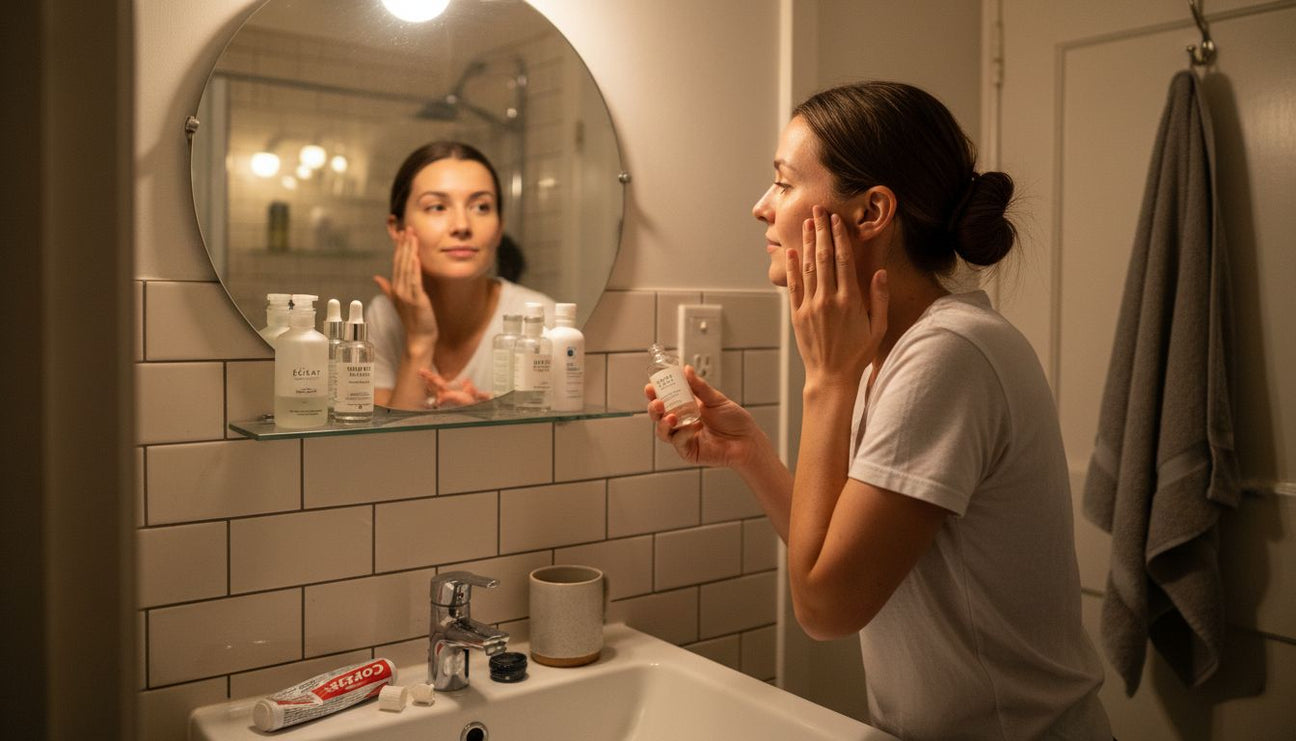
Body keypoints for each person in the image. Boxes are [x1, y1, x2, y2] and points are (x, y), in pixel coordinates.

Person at [647, 82, 1111, 740]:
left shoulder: (947, 355)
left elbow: (826, 608)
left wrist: (826, 381)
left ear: (870, 211)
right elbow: (838, 556)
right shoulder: (891, 351)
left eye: (783, 182)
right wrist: (752, 453)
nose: (761, 207)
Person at [371, 141, 553, 409]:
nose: (462, 225)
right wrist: (419, 343)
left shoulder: (539, 319)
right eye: (437, 207)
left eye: (481, 207)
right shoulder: (385, 317)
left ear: (499, 229)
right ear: (397, 229)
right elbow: (387, 436)